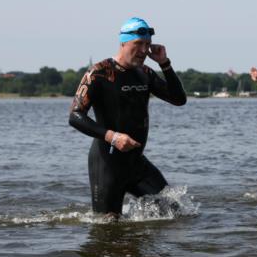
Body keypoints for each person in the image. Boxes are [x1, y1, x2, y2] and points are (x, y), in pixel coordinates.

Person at [68, 17, 187, 217]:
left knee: (173, 211)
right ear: (123, 42)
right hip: (107, 163)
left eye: (147, 45)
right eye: (138, 44)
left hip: (136, 163)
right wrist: (112, 137)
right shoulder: (99, 73)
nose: (143, 51)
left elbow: (178, 99)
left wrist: (165, 63)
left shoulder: (145, 73)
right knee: (107, 227)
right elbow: (75, 116)